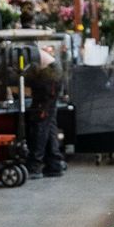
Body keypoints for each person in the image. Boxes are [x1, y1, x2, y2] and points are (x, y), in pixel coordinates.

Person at [24, 48, 64, 178]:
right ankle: (54, 164)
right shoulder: (26, 48)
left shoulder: (20, 50)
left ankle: (35, 166)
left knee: (40, 120)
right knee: (49, 121)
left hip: (49, 77)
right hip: (51, 74)